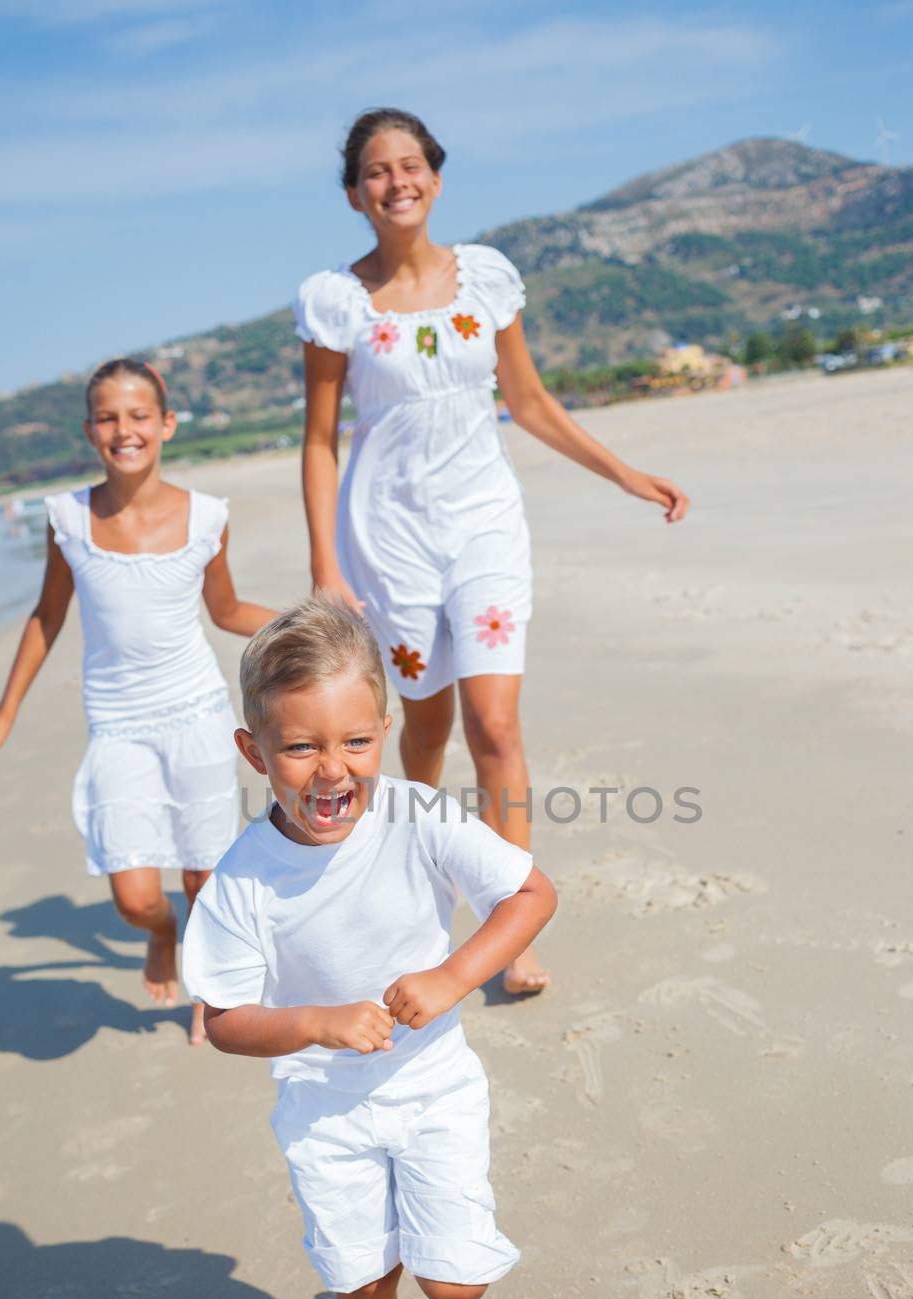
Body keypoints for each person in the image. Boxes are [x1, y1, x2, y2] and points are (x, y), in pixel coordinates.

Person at [295, 106, 689, 995]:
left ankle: (509, 926)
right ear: (355, 195)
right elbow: (319, 441)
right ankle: (419, 869)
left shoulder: (488, 279)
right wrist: (326, 566)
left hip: (484, 528)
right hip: (387, 542)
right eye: (375, 173)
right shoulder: (336, 302)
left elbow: (531, 402)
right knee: (424, 730)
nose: (396, 183)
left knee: (496, 726)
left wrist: (623, 474)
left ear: (434, 176)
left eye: (409, 166)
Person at [182, 595, 557, 1299]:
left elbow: (531, 893)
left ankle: (420, 1255)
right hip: (324, 1107)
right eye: (301, 747)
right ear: (254, 751)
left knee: (455, 1284)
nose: (332, 770)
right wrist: (316, 1023)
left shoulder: (416, 818)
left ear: (385, 729)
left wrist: (454, 975)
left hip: (432, 1084)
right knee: (359, 1274)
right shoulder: (242, 878)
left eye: (354, 741)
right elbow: (227, 1020)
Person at [0, 359, 278, 1044]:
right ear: (89, 431)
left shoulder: (207, 517)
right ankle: (159, 935)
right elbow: (47, 617)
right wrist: (4, 714)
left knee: (201, 877)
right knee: (136, 898)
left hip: (196, 713)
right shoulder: (67, 517)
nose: (123, 430)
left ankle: (207, 987)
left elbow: (224, 610)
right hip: (118, 725)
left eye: (138, 416)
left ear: (165, 424)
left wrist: (309, 619)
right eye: (107, 417)